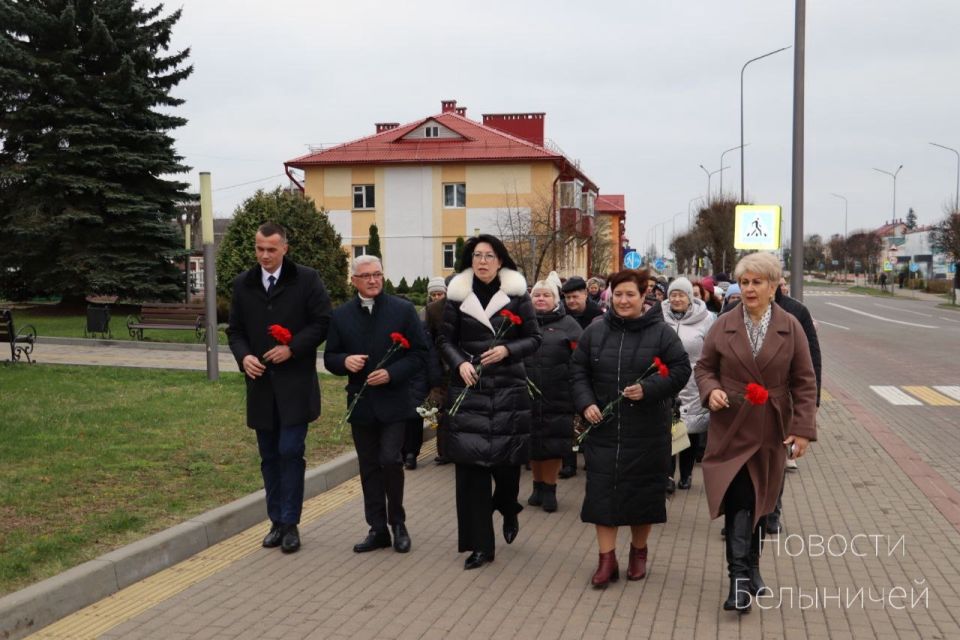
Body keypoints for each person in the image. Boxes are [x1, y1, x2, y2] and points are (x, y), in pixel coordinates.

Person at [695, 252, 818, 613]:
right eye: (745, 282)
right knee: (739, 500)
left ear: (774, 286)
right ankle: (738, 581)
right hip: (731, 423)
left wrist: (803, 430)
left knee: (762, 503)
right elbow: (704, 368)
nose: (749, 289)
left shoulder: (790, 326)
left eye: (757, 282)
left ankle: (753, 570)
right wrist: (711, 390)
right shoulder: (723, 324)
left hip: (771, 427)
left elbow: (805, 382)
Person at [570, 268, 691, 588]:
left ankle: (639, 552)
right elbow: (577, 372)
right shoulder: (595, 332)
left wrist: (649, 389)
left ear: (642, 297)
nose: (623, 301)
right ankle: (606, 559)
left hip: (647, 431)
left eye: (630, 295)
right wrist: (586, 403)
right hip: (604, 429)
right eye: (618, 295)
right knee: (601, 496)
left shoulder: (662, 333)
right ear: (610, 297)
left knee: (642, 497)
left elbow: (680, 370)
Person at [227, 222, 332, 554]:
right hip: (260, 388)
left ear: (285, 248)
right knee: (269, 456)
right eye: (259, 249)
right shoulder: (243, 284)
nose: (264, 255)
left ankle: (290, 523)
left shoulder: (307, 279)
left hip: (295, 387)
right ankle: (275, 520)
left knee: (290, 452)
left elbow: (322, 322)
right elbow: (235, 331)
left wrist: (293, 348)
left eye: (271, 249)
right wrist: (244, 358)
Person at [438, 235, 542, 570]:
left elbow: (534, 338)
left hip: (507, 390)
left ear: (500, 260)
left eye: (489, 255)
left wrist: (508, 349)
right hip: (469, 391)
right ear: (470, 260)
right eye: (477, 255)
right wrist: (460, 362)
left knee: (507, 468)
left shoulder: (516, 293)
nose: (483, 261)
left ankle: (509, 507)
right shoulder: (457, 295)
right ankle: (482, 546)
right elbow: (443, 339)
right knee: (471, 472)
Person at [324, 256, 428, 554]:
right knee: (369, 465)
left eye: (378, 274)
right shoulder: (341, 315)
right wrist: (344, 361)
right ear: (353, 280)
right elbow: (330, 356)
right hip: (361, 403)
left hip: (395, 402)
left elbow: (420, 354)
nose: (372, 280)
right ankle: (377, 528)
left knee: (390, 460)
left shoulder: (403, 310)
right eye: (366, 276)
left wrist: (392, 373)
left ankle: (399, 524)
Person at [523, 272, 582, 513]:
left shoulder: (569, 325)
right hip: (527, 396)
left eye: (546, 295)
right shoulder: (522, 323)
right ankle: (537, 486)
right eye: (536, 295)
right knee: (533, 445)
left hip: (557, 395)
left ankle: (550, 488)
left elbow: (580, 361)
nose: (541, 299)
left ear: (556, 299)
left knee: (553, 445)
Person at [661, 277, 715, 491]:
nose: (676, 299)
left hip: (693, 380)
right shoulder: (659, 316)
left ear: (690, 297)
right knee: (667, 429)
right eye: (673, 294)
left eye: (681, 295)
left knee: (690, 428)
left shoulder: (707, 319)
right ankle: (667, 476)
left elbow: (712, 349)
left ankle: (686, 473)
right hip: (665, 377)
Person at [559, 276, 602, 477]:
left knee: (590, 416)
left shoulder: (598, 316)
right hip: (565, 373)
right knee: (568, 419)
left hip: (591, 373)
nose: (571, 302)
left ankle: (591, 459)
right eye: (567, 298)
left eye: (575, 297)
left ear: (585, 294)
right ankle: (568, 463)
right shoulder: (561, 315)